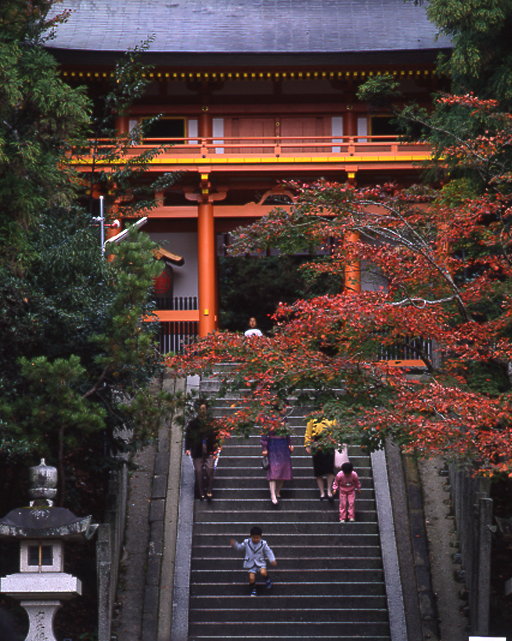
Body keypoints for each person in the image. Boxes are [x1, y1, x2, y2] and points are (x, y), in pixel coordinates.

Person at [185, 400, 221, 500]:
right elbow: (188, 436)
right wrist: (187, 448)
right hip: (197, 450)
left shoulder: (212, 422)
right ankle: (200, 492)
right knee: (198, 471)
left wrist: (218, 445)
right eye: (201, 409)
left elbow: (217, 435)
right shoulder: (193, 424)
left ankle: (209, 489)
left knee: (210, 469)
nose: (202, 411)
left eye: (204, 409)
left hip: (210, 449)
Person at [230, 526, 277, 596]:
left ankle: (267, 579)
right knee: (251, 578)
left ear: (260, 537)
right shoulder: (247, 542)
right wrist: (235, 544)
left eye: (257, 538)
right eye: (254, 538)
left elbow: (268, 552)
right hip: (250, 563)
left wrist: (272, 559)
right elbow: (240, 547)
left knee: (263, 572)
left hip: (260, 562)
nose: (256, 539)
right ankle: (253, 589)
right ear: (251, 536)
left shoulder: (263, 544)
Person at [304, 417, 336, 502]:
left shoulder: (332, 417)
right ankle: (322, 492)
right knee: (318, 469)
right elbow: (308, 431)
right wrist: (307, 444)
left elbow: (336, 429)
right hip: (316, 443)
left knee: (330, 468)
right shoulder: (312, 418)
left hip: (329, 442)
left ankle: (329, 490)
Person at [261, 425, 293, 506]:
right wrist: (264, 447)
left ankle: (277, 491)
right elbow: (264, 433)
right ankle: (273, 494)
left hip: (283, 446)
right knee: (273, 470)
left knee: (284, 469)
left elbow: (288, 432)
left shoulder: (284, 418)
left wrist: (290, 443)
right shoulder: (268, 418)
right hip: (273, 445)